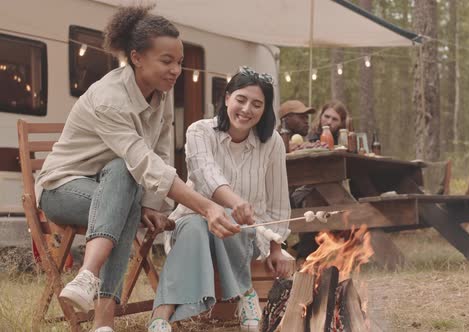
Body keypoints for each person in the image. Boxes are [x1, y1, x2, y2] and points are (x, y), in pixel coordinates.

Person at [35, 6, 232, 332]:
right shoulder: (110, 97)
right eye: (166, 61)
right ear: (137, 57)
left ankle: (90, 285)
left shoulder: (161, 92)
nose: (175, 70)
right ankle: (100, 312)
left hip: (113, 187)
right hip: (62, 189)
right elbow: (143, 161)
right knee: (125, 182)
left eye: (180, 62)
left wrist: (151, 205)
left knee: (123, 183)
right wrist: (208, 206)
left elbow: (162, 149)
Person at [150, 66, 292, 332]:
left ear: (265, 110)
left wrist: (276, 246)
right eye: (241, 99)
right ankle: (163, 316)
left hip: (246, 236)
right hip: (193, 223)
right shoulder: (199, 131)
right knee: (195, 224)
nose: (247, 109)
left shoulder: (272, 143)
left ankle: (165, 314)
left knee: (229, 219)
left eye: (257, 104)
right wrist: (236, 202)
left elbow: (278, 200)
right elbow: (206, 174)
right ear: (227, 98)